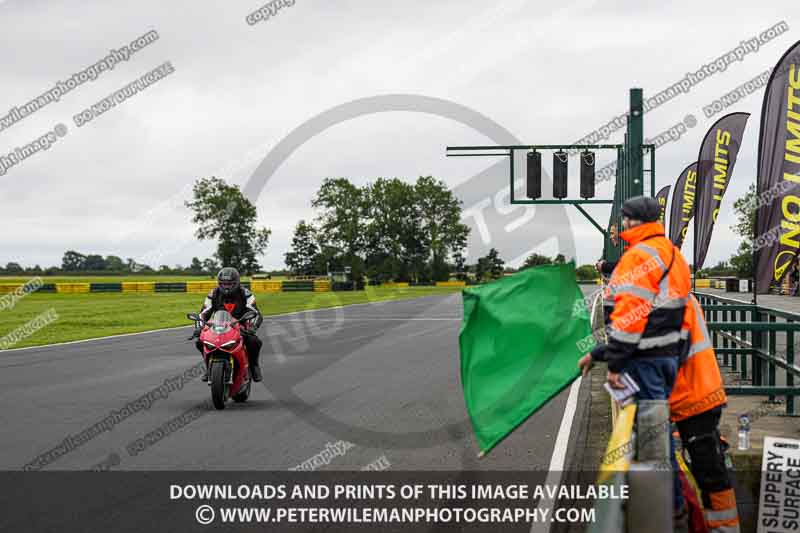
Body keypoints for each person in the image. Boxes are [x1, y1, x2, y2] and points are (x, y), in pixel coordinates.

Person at [579, 195, 691, 516]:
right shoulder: (671, 254)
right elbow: (660, 313)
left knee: (651, 434)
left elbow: (630, 319)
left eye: (625, 218)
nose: (622, 224)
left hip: (645, 361)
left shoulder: (638, 256)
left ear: (634, 221)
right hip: (667, 356)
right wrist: (601, 353)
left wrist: (614, 363)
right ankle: (668, 503)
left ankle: (665, 508)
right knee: (655, 429)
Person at [670, 294, 740, 533]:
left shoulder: (667, 300)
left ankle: (723, 528)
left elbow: (660, 356)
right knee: (709, 468)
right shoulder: (680, 295)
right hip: (699, 394)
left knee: (709, 471)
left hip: (693, 398)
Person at [194, 267, 264, 382]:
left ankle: (254, 366)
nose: (226, 286)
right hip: (218, 326)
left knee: (254, 342)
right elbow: (203, 313)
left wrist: (252, 327)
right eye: (223, 284)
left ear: (236, 283)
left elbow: (255, 313)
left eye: (230, 284)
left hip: (240, 325)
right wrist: (199, 328)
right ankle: (208, 368)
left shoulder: (246, 294)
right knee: (200, 341)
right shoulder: (213, 294)